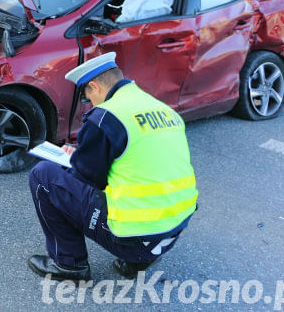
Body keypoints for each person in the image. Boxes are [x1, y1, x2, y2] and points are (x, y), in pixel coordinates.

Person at [28, 52, 197, 280]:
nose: (89, 105)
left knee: (43, 176)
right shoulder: (162, 110)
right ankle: (137, 262)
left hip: (135, 239)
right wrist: (84, 154)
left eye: (87, 98)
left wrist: (75, 162)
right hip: (171, 231)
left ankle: (69, 264)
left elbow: (86, 179)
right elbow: (138, 162)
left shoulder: (105, 117)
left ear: (94, 87)